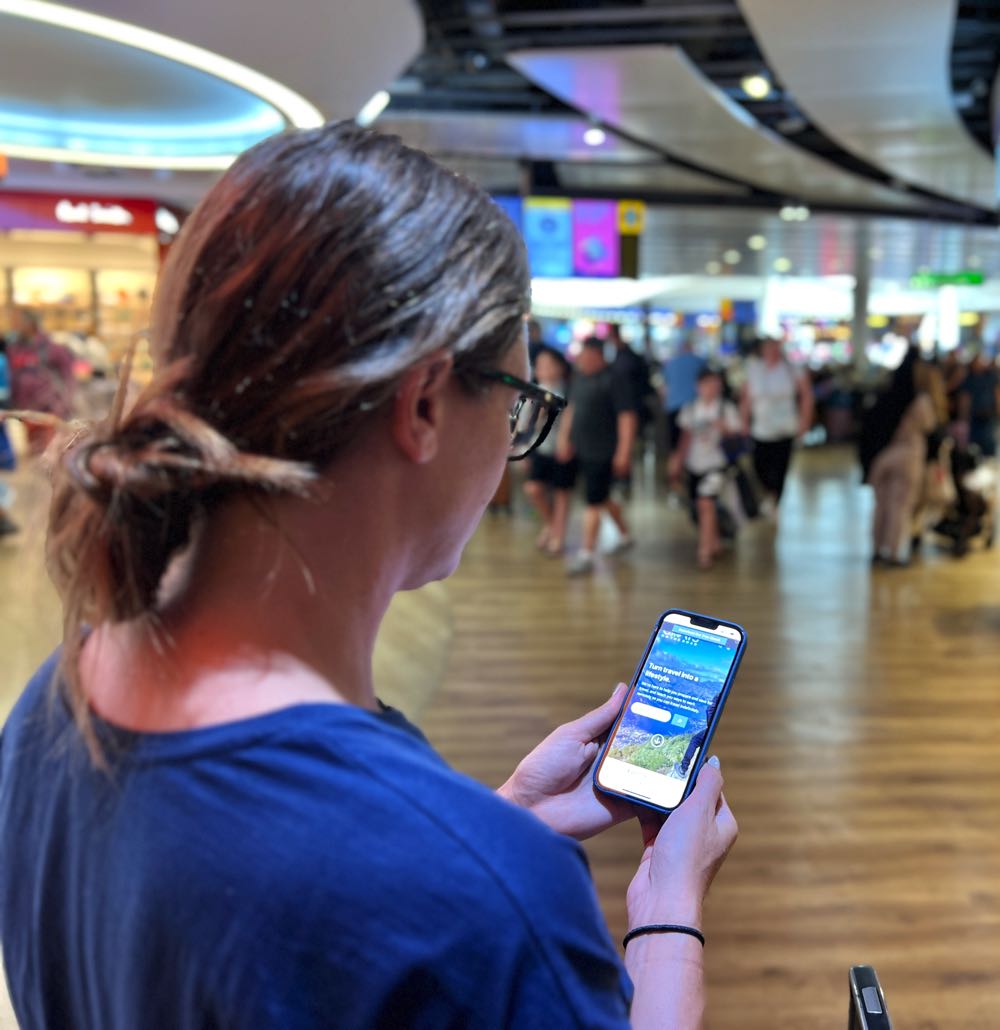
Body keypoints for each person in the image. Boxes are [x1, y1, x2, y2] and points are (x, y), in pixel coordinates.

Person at [0, 123, 737, 1029]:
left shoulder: (53, 705)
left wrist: (499, 823)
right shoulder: (484, 904)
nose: (514, 449)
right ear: (425, 403)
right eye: (519, 404)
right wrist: (669, 914)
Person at [558, 336, 637, 575]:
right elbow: (571, 409)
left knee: (593, 501)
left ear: (599, 356)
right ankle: (624, 535)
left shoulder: (615, 379)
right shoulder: (579, 377)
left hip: (604, 451)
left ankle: (586, 553)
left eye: (587, 356)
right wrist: (565, 438)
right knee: (600, 496)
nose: (583, 360)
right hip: (581, 447)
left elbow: (627, 417)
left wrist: (624, 452)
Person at [860, 349, 944, 566]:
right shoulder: (919, 401)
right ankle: (895, 553)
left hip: (882, 457)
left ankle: (877, 550)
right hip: (909, 455)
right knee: (901, 506)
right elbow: (931, 428)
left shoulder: (885, 397)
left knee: (881, 506)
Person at [669, 368, 742, 571]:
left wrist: (724, 429)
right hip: (694, 465)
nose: (711, 389)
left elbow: (738, 438)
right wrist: (676, 462)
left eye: (714, 384)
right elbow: (684, 439)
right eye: (707, 384)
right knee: (701, 506)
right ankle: (715, 542)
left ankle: (704, 551)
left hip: (717, 465)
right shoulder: (691, 409)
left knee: (705, 503)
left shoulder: (726, 409)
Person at [740, 337, 813, 516]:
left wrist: (805, 421)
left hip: (785, 428)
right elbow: (746, 398)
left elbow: (806, 396)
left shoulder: (791, 369)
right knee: (759, 465)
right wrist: (744, 421)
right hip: (761, 428)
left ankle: (776, 501)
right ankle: (767, 493)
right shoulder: (754, 369)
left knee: (780, 467)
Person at [523, 346, 575, 556]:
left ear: (560, 367)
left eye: (549, 364)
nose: (544, 369)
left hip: (563, 450)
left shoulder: (569, 392)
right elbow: (526, 427)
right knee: (534, 489)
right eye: (541, 365)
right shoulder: (534, 393)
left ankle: (558, 537)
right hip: (540, 449)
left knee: (562, 493)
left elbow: (573, 421)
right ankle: (552, 526)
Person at [6, 308, 75, 455]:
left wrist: (66, 402)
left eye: (18, 322)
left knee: (50, 449)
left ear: (30, 324)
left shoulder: (52, 348)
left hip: (49, 407)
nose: (14, 325)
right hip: (26, 407)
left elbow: (68, 377)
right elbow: (12, 375)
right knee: (34, 447)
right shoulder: (15, 348)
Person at [661, 336, 705, 453]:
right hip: (692, 406)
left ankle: (675, 464)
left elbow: (665, 387)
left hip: (673, 406)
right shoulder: (699, 361)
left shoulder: (670, 364)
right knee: (692, 443)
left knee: (675, 443)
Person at [958, 351, 999, 458]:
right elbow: (965, 399)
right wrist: (964, 417)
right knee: (974, 449)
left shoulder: (990, 377)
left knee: (989, 447)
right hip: (974, 418)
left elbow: (996, 394)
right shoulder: (969, 379)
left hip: (988, 417)